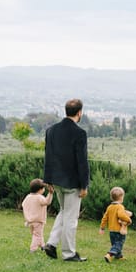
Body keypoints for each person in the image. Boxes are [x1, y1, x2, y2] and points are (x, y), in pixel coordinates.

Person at [43, 98, 90, 262]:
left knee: (64, 212)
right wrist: (84, 184)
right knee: (71, 217)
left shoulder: (51, 130)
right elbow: (82, 161)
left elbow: (48, 155)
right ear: (79, 112)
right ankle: (69, 253)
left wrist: (47, 179)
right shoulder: (80, 133)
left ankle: (51, 243)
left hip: (55, 180)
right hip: (72, 182)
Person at [99, 186, 132, 263]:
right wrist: (128, 219)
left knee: (115, 243)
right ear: (121, 197)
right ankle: (109, 254)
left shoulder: (109, 207)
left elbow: (105, 217)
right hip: (119, 230)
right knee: (119, 243)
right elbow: (121, 215)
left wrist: (102, 227)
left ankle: (118, 256)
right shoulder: (120, 207)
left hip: (111, 230)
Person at [22, 178, 54, 253]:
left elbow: (23, 205)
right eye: (43, 188)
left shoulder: (28, 197)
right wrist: (50, 193)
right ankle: (33, 249)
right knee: (37, 235)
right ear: (40, 189)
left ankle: (43, 246)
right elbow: (47, 202)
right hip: (38, 221)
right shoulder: (39, 197)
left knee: (37, 234)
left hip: (30, 221)